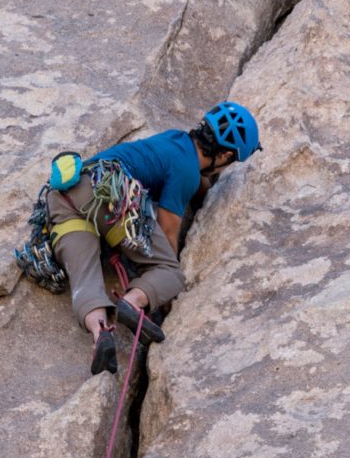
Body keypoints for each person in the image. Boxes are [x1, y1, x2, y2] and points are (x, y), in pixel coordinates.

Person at [45, 102, 261, 375]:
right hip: (110, 198)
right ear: (226, 155)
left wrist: (201, 186)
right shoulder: (187, 171)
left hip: (66, 196)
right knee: (169, 271)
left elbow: (188, 177)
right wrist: (165, 292)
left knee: (84, 279)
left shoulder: (175, 140)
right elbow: (168, 228)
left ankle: (100, 333)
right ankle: (132, 301)